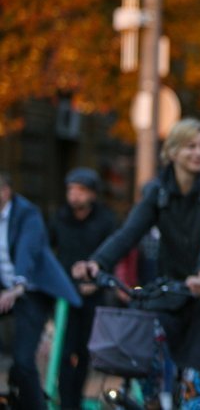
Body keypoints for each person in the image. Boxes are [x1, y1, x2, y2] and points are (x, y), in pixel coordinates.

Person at [71, 118, 200, 408]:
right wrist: (97, 263)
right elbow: (129, 232)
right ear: (172, 152)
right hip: (174, 292)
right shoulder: (158, 191)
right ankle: (152, 401)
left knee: (196, 374)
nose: (198, 153)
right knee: (146, 340)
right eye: (190, 146)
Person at [0, 171, 82, 410]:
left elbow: (28, 251)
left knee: (24, 361)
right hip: (5, 289)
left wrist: (18, 286)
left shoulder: (27, 214)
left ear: (5, 192)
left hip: (32, 292)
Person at [49, 167, 117, 410]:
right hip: (65, 295)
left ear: (92, 194)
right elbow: (49, 252)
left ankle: (76, 401)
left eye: (80, 190)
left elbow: (113, 254)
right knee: (64, 352)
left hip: (94, 296)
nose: (74, 195)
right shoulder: (59, 218)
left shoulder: (106, 220)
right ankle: (66, 402)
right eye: (71, 190)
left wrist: (95, 283)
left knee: (87, 352)